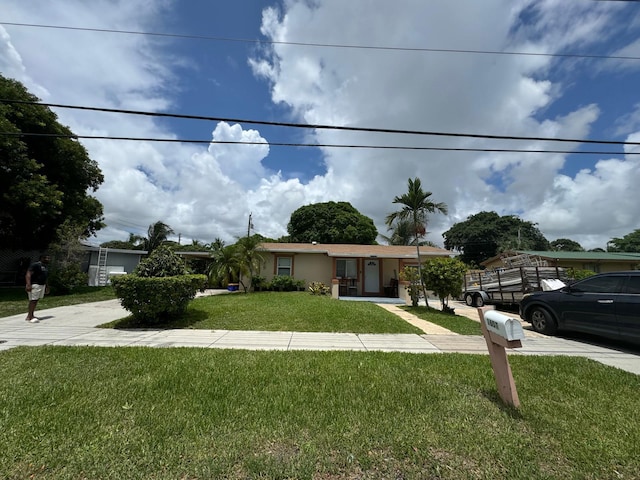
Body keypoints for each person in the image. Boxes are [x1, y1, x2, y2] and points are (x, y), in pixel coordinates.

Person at [25, 254, 50, 323]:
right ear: (42, 258)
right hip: (35, 284)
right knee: (33, 300)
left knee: (35, 300)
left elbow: (45, 277)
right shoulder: (36, 265)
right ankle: (30, 316)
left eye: (48, 258)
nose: (48, 259)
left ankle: (30, 315)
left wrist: (47, 286)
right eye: (46, 258)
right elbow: (28, 274)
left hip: (42, 285)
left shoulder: (45, 266)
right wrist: (28, 284)